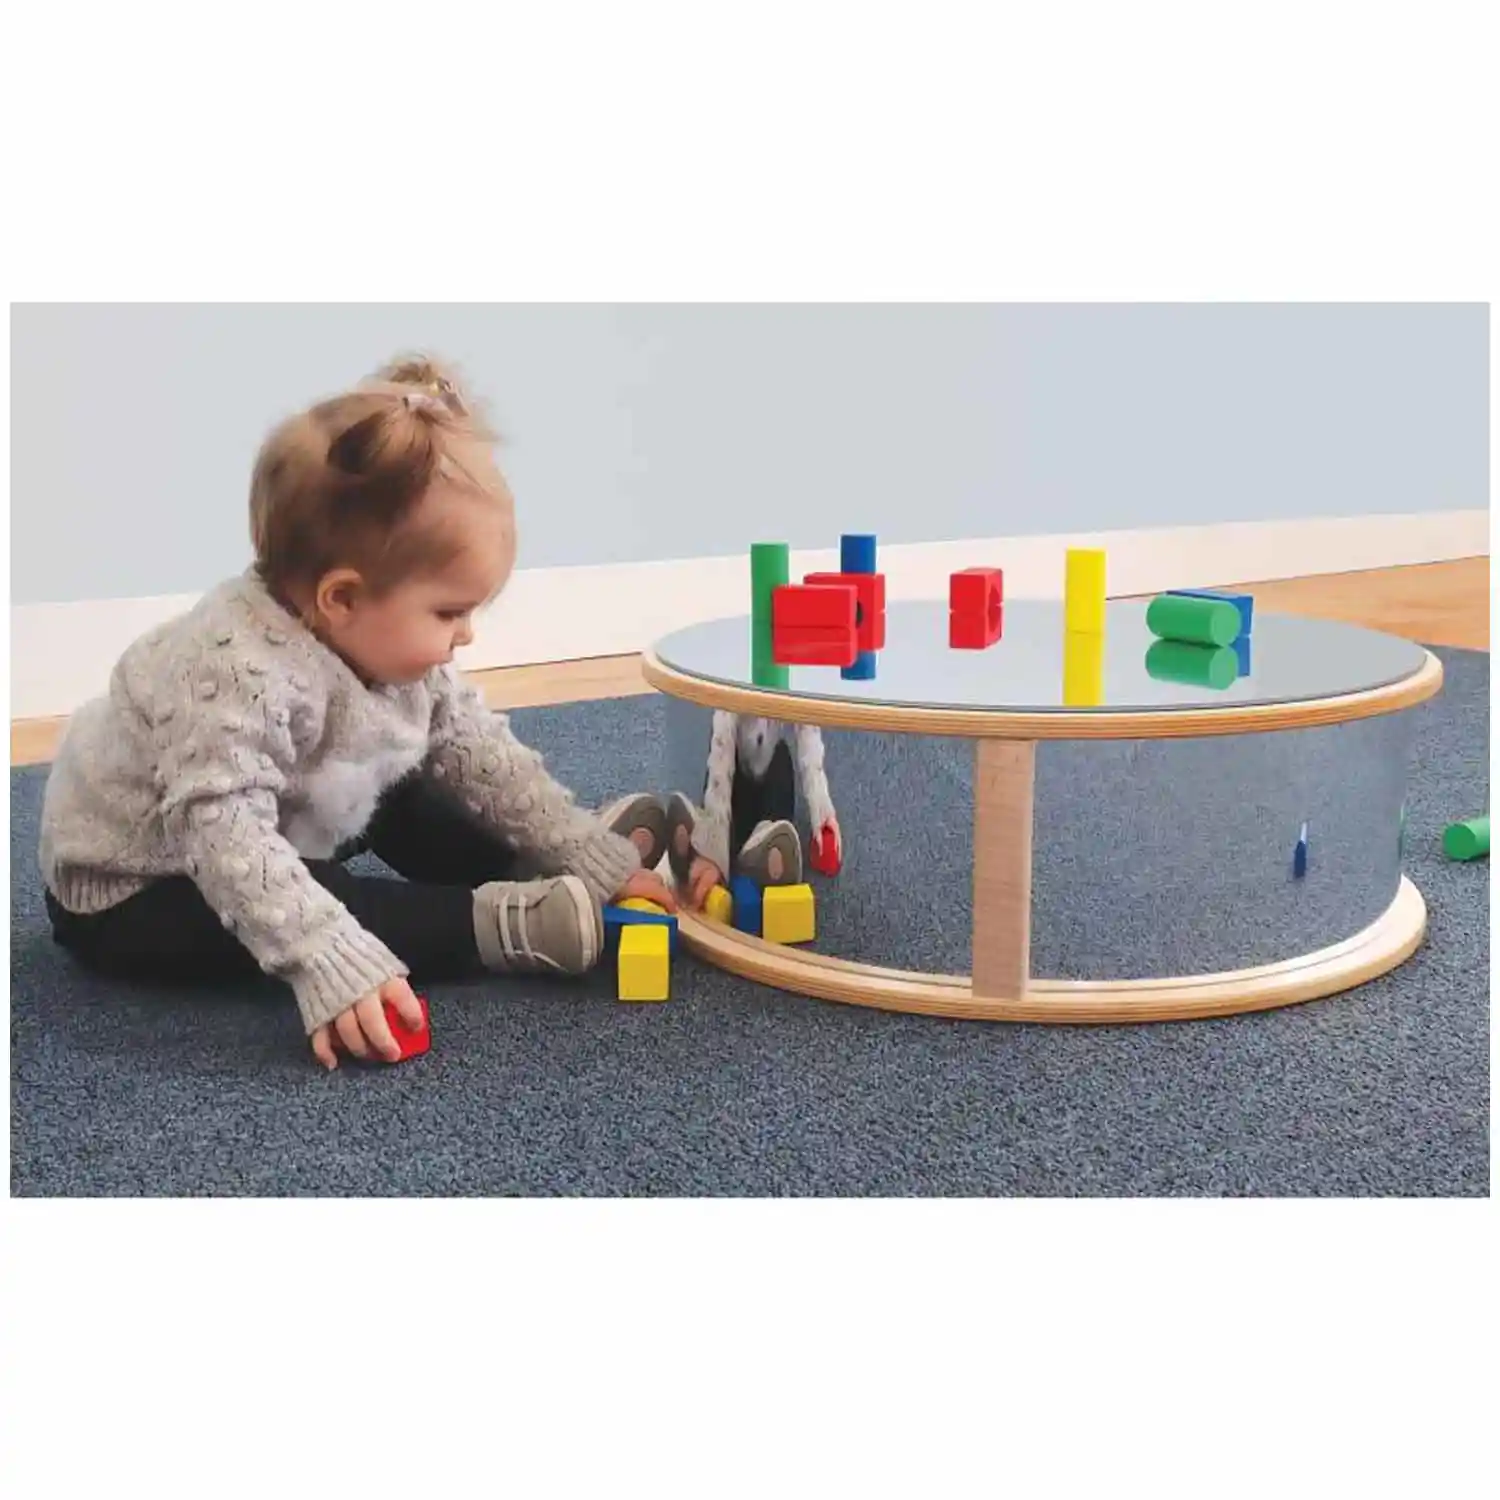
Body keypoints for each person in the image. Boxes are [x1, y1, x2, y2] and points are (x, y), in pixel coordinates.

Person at [38, 354, 674, 1070]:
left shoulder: (386, 647)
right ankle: (495, 924)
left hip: (281, 808)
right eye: (449, 612)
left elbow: (473, 749)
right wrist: (327, 960)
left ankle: (526, 867)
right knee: (331, 901)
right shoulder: (233, 671)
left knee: (409, 783)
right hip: (142, 879)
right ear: (342, 598)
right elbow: (225, 840)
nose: (466, 634)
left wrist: (577, 847)